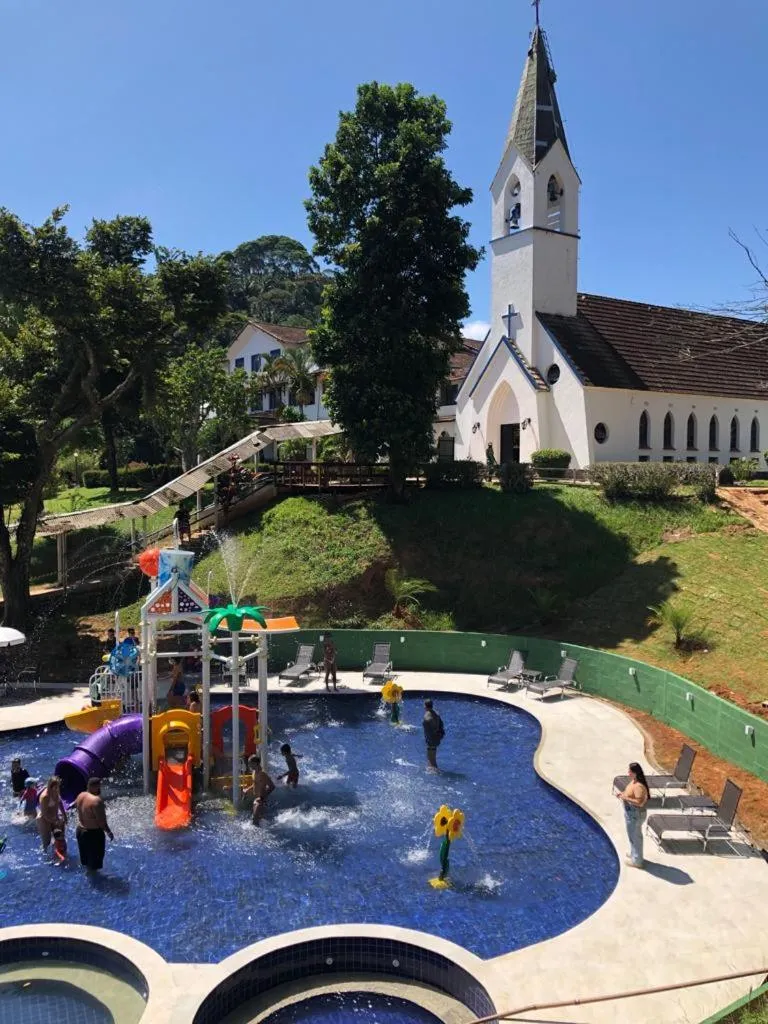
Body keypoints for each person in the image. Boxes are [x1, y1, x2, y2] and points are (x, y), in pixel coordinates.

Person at [74, 778, 114, 871]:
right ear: (96, 786)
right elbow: (102, 822)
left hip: (80, 831)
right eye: (99, 786)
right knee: (94, 866)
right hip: (93, 834)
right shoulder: (96, 801)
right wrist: (109, 832)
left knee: (86, 862)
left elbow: (78, 809)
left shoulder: (80, 795)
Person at [616, 762, 650, 868]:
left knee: (635, 837)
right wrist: (623, 794)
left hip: (635, 814)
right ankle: (634, 854)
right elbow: (630, 794)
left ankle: (637, 861)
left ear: (635, 773)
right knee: (632, 835)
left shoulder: (639, 786)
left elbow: (640, 802)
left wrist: (625, 798)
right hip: (631, 813)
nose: (628, 773)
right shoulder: (634, 782)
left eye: (630, 771)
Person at [243, 755, 275, 826]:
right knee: (257, 821)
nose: (248, 765)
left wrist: (262, 798)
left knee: (255, 821)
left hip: (261, 801)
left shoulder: (262, 774)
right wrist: (247, 790)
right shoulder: (254, 773)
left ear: (255, 763)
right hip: (256, 799)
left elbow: (272, 786)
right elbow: (255, 784)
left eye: (249, 763)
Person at [37, 776, 67, 851]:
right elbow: (44, 814)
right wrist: (54, 821)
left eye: (58, 786)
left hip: (53, 816)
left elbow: (59, 802)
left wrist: (64, 815)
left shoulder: (56, 792)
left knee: (60, 836)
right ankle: (45, 854)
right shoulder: (45, 797)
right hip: (43, 818)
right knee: (47, 842)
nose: (57, 789)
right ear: (50, 786)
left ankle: (58, 850)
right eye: (55, 787)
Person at [422, 699, 446, 770]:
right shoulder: (437, 713)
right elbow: (441, 725)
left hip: (431, 739)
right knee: (433, 758)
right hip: (437, 738)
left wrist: (428, 740)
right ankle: (433, 768)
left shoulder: (426, 717)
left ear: (425, 706)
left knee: (430, 758)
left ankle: (433, 771)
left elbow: (427, 731)